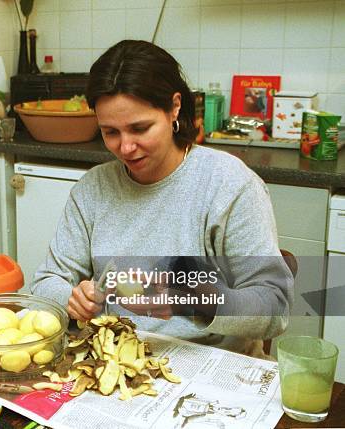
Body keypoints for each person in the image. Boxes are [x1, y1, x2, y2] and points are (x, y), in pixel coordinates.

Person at [30, 40, 294, 354]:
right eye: (110, 132)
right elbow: (47, 282)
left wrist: (198, 301)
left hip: (213, 366)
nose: (125, 148)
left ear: (174, 108)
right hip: (116, 358)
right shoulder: (92, 190)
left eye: (140, 128)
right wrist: (73, 299)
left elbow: (274, 307)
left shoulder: (229, 184)